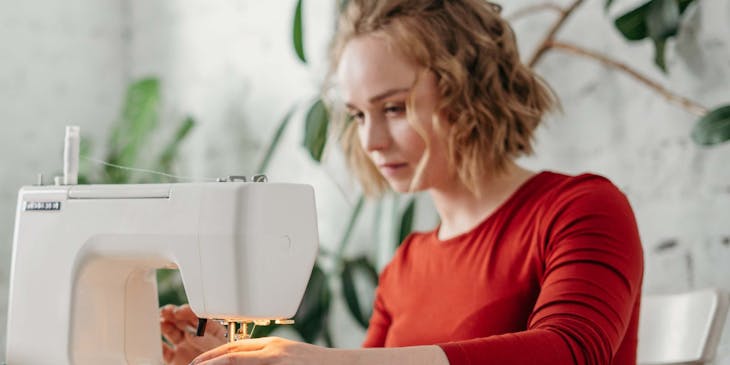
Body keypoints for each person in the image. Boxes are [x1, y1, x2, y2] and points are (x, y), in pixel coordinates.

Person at [160, 0, 644, 364]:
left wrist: (320, 359)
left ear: (469, 93)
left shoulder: (579, 208)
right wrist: (230, 357)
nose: (370, 140)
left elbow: (570, 351)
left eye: (393, 108)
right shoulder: (406, 265)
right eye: (357, 115)